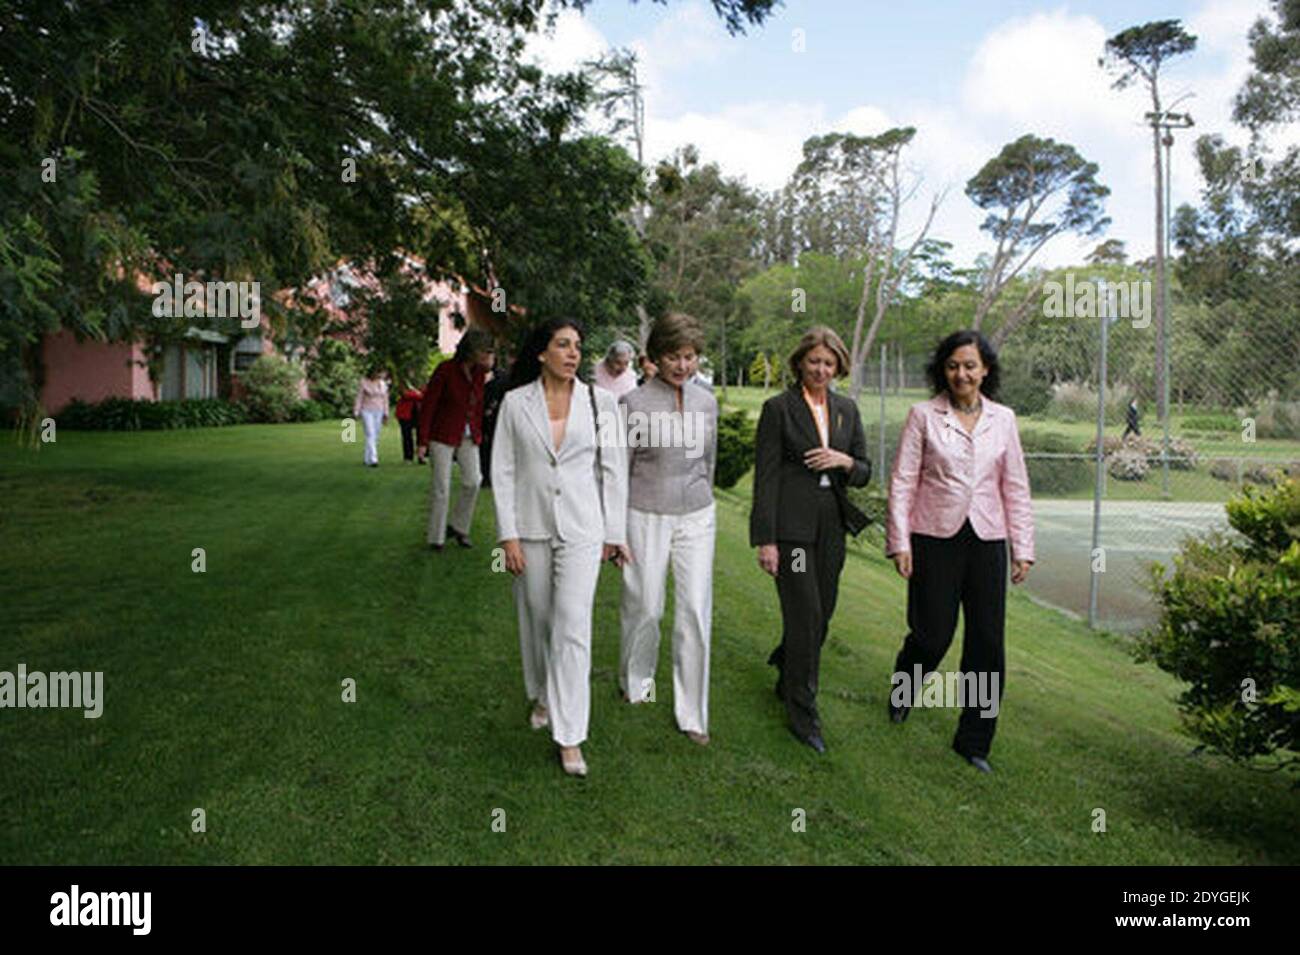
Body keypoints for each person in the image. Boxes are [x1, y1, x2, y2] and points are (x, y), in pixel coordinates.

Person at [885, 329, 1035, 774]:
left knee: (987, 644)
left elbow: (1016, 486)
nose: (962, 374)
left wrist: (1022, 548)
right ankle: (904, 688)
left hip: (988, 539)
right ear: (942, 371)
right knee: (932, 634)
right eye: (953, 366)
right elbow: (903, 481)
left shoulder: (1004, 419)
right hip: (934, 536)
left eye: (970, 365)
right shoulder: (922, 415)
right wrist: (900, 541)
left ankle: (974, 742)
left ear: (985, 370)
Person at [492, 317, 628, 777]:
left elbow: (614, 471)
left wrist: (615, 533)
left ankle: (570, 736)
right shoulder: (514, 404)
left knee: (572, 625)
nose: (573, 353)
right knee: (538, 617)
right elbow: (504, 471)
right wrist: (507, 534)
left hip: (582, 529)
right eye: (562, 345)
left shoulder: (601, 404)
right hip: (529, 528)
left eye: (577, 346)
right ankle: (542, 696)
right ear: (541, 353)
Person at [749, 326, 871, 754]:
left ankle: (788, 666)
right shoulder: (778, 409)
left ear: (838, 366)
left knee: (822, 617)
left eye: (829, 363)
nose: (821, 369)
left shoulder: (847, 410)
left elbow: (865, 470)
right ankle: (804, 714)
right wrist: (767, 540)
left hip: (831, 526)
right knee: (806, 613)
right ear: (800, 362)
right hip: (793, 530)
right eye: (814, 361)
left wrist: (845, 460)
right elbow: (765, 478)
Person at [618, 312, 719, 745]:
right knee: (646, 605)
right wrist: (614, 531)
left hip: (697, 513)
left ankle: (692, 712)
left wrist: (703, 499)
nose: (683, 365)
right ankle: (636, 681)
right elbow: (617, 469)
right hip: (644, 512)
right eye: (674, 357)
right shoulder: (633, 404)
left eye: (690, 357)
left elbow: (708, 462)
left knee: (695, 608)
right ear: (656, 358)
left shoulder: (706, 402)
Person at [417, 329, 495, 551]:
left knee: (474, 480)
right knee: (441, 487)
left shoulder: (480, 374)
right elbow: (428, 406)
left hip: (469, 435)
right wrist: (422, 441)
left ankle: (459, 526)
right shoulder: (445, 371)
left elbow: (478, 405)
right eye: (484, 350)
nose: (487, 354)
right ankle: (436, 538)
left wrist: (480, 431)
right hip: (441, 434)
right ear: (471, 350)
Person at [479, 354, 512, 488]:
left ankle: (494, 475)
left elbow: (505, 394)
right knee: (482, 447)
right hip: (479, 416)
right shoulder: (475, 376)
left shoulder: (502, 377)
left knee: (494, 445)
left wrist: (493, 406)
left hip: (496, 416)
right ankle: (484, 475)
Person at [353, 364, 389, 468]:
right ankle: (374, 459)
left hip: (379, 410)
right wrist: (356, 411)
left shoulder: (383, 384)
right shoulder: (364, 382)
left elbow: (385, 399)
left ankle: (366, 458)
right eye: (378, 372)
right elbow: (359, 397)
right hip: (367, 410)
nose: (380, 375)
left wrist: (386, 414)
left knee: (375, 435)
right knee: (370, 433)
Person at [395, 382, 425, 464]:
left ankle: (421, 456)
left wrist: (416, 393)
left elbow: (426, 395)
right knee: (407, 436)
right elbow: (405, 394)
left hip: (419, 414)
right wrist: (417, 393)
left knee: (421, 436)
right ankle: (408, 457)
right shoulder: (403, 382)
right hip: (405, 415)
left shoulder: (421, 380)